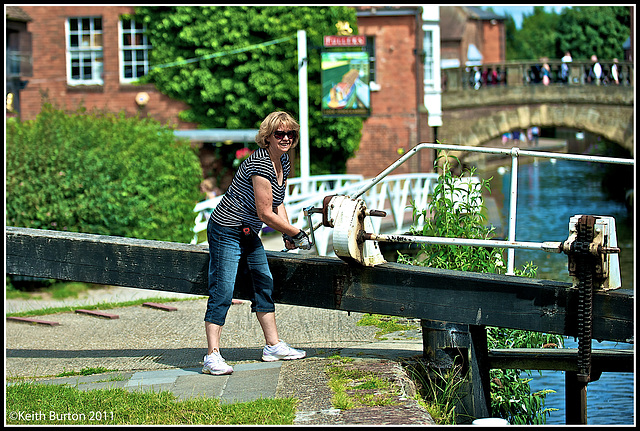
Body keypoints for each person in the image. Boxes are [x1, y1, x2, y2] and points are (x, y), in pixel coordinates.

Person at [202, 111, 311, 375]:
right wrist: (297, 232)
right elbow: (265, 213)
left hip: (249, 231)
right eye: (279, 134)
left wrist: (286, 232)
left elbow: (278, 201)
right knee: (223, 289)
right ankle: (211, 356)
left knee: (264, 282)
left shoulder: (282, 162)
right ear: (268, 137)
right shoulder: (261, 164)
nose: (285, 138)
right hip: (226, 229)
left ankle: (272, 346)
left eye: (290, 134)